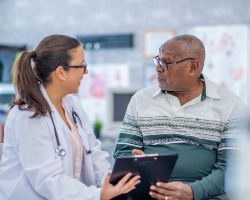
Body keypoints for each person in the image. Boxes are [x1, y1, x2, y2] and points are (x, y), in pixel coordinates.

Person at [0, 34, 140, 200]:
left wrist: (111, 181)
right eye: (81, 65)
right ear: (61, 73)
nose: (86, 71)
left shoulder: (73, 105)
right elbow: (48, 180)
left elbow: (94, 153)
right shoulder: (28, 115)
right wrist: (97, 195)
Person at [114, 35, 245, 200]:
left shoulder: (231, 105)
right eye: (157, 61)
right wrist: (139, 167)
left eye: (166, 63)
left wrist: (193, 191)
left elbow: (232, 169)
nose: (158, 68)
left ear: (193, 67)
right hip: (148, 195)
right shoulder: (141, 100)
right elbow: (122, 153)